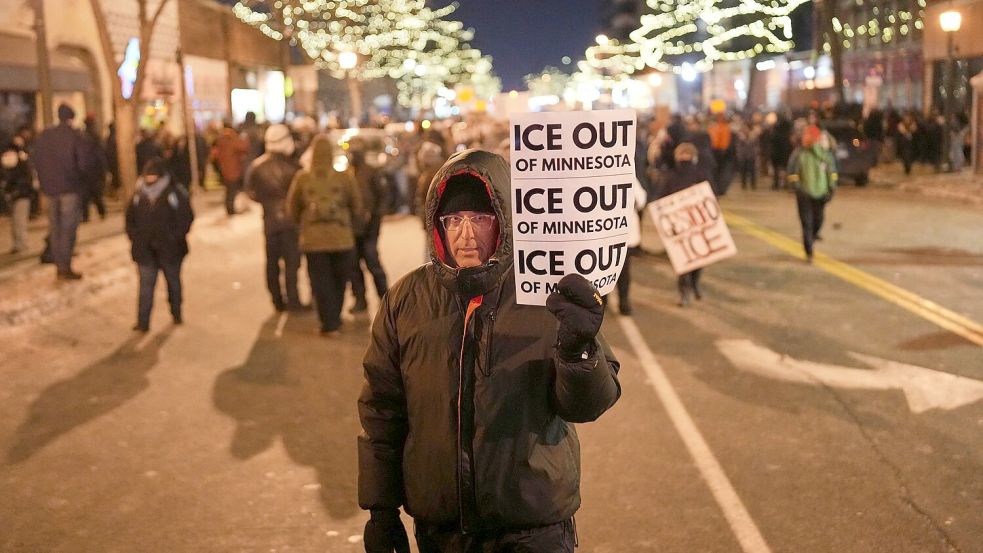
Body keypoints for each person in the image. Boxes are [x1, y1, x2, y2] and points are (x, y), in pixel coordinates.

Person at [357, 149, 621, 553]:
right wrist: (381, 509)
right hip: (441, 529)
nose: (465, 235)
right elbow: (383, 409)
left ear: (505, 221)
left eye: (480, 218)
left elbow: (587, 406)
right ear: (436, 226)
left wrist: (579, 352)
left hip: (531, 527)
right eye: (453, 220)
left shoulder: (547, 295)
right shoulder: (406, 299)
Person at [287, 135, 363, 336]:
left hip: (313, 242)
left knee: (320, 282)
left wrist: (304, 227)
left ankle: (327, 323)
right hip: (342, 240)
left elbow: (292, 209)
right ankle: (335, 318)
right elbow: (357, 206)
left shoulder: (302, 178)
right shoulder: (345, 177)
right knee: (339, 280)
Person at [125, 158, 194, 332]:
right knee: (146, 287)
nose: (150, 180)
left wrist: (174, 237)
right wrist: (136, 237)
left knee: (173, 283)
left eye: (153, 176)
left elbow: (186, 217)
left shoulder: (174, 192)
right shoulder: (138, 194)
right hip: (145, 250)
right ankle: (143, 322)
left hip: (170, 249)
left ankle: (176, 312)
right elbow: (130, 220)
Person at [244, 124, 305, 312]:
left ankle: (277, 300)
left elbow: (251, 193)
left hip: (269, 222)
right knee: (291, 264)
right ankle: (293, 300)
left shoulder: (256, 167)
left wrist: (267, 203)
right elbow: (302, 196)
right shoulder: (294, 168)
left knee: (272, 263)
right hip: (291, 223)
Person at [31, 103, 87, 280]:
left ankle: (59, 264)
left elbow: (35, 160)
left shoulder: (44, 136)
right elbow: (83, 163)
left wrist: (43, 180)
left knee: (55, 228)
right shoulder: (74, 136)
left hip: (50, 188)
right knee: (68, 229)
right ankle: (65, 265)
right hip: (69, 188)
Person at [660, 143, 714, 306]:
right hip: (697, 224)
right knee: (699, 257)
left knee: (683, 261)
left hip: (680, 225)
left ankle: (686, 290)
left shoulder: (670, 175)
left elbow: (661, 197)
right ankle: (694, 286)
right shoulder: (701, 174)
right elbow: (712, 195)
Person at [787, 125, 837, 263]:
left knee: (818, 220)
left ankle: (812, 237)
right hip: (804, 195)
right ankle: (809, 251)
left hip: (821, 194)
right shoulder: (799, 154)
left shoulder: (824, 155)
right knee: (806, 223)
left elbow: (832, 172)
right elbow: (792, 172)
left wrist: (831, 188)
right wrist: (796, 187)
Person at [348, 146, 389, 314]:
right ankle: (360, 299)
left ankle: (385, 297)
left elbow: (383, 196)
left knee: (372, 262)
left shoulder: (371, 172)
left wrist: (375, 217)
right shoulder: (349, 174)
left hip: (369, 227)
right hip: (353, 228)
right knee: (353, 265)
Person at [614, 176, 647, 315]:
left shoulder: (628, 176)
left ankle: (621, 302)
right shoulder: (627, 175)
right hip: (621, 233)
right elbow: (641, 200)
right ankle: (622, 302)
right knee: (622, 270)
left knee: (620, 270)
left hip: (619, 234)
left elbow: (641, 199)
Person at [1, 145, 34, 254]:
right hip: (15, 196)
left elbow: (24, 182)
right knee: (15, 221)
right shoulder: (13, 166)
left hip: (22, 196)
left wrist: (13, 192)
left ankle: (21, 244)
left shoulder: (21, 167)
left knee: (19, 221)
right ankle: (17, 244)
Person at [211, 123, 249, 215]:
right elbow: (243, 147)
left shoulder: (220, 139)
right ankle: (230, 209)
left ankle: (229, 208)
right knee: (232, 190)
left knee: (229, 189)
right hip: (233, 168)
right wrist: (245, 139)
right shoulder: (231, 137)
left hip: (224, 167)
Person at [80, 114, 108, 222]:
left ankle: (87, 215)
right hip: (94, 170)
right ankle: (101, 212)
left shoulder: (83, 136)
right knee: (96, 194)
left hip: (87, 170)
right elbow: (100, 155)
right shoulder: (94, 136)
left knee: (87, 196)